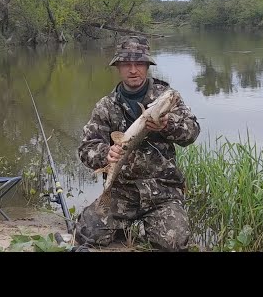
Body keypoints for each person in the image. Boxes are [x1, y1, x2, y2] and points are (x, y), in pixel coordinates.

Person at [75, 35, 201, 251]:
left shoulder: (167, 97)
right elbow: (86, 149)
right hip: (122, 191)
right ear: (118, 67)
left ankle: (149, 225)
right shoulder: (106, 106)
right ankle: (121, 226)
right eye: (126, 64)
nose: (133, 70)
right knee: (86, 233)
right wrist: (106, 153)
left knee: (174, 243)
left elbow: (192, 133)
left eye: (139, 64)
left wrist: (167, 125)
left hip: (163, 191)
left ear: (147, 66)